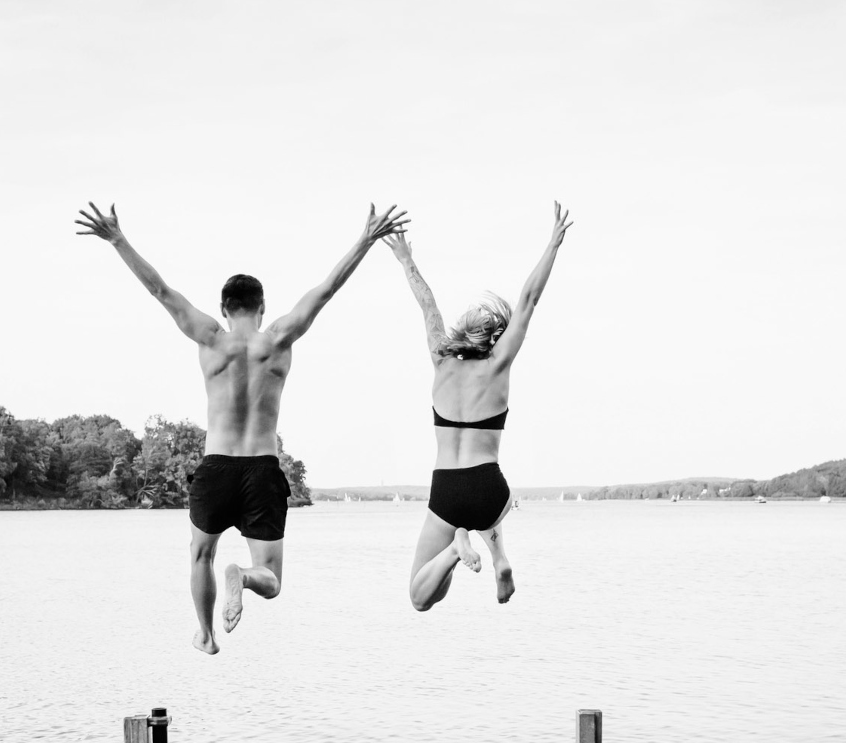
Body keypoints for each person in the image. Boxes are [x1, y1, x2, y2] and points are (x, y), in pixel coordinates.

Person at [76, 201, 409, 654]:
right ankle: (244, 577)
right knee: (272, 580)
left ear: (224, 307)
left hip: (216, 466)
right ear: (262, 307)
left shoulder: (210, 336)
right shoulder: (279, 338)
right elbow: (327, 290)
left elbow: (159, 290)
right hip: (261, 469)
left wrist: (118, 240)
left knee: (200, 554)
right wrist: (366, 240)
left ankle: (206, 634)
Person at [383, 202, 572, 611]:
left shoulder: (440, 360)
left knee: (420, 597)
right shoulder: (498, 364)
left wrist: (405, 259)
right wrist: (553, 244)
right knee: (494, 507)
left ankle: (456, 550)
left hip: (446, 489)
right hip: (490, 488)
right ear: (491, 340)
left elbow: (428, 304)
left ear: (461, 333)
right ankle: (498, 555)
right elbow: (529, 299)